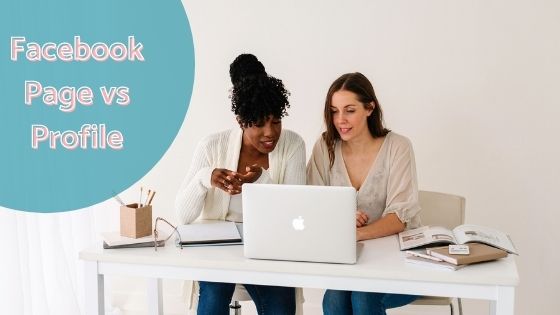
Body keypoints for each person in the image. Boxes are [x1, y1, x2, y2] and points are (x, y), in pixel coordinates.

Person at [175, 54, 305, 315]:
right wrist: (205, 178)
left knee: (280, 308)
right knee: (212, 297)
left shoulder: (292, 145)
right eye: (258, 124)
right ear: (241, 122)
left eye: (276, 121)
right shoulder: (212, 146)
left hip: (269, 249)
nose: (270, 132)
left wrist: (262, 180)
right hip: (220, 250)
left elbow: (294, 213)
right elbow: (182, 216)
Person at [307, 72, 421, 315]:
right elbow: (312, 204)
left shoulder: (397, 147)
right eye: (334, 111)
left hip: (403, 260)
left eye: (349, 110)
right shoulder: (325, 146)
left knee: (363, 297)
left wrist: (354, 233)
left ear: (370, 108)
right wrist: (341, 218)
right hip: (352, 260)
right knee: (334, 300)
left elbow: (399, 218)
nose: (340, 120)